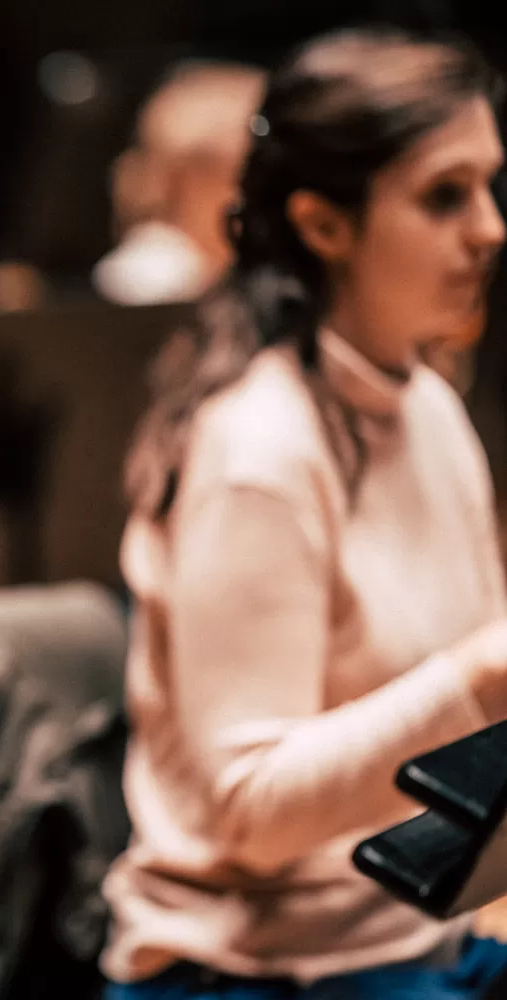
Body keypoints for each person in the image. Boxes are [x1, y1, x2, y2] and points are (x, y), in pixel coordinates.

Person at [104, 28, 507, 999]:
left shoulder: (428, 403)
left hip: (412, 936)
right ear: (325, 224)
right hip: (254, 971)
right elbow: (251, 812)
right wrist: (488, 672)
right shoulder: (258, 447)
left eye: (492, 186)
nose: (490, 228)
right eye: (445, 195)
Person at [93, 61, 267, 307]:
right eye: (237, 177)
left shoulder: (251, 267)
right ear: (183, 180)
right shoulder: (152, 271)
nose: (250, 195)